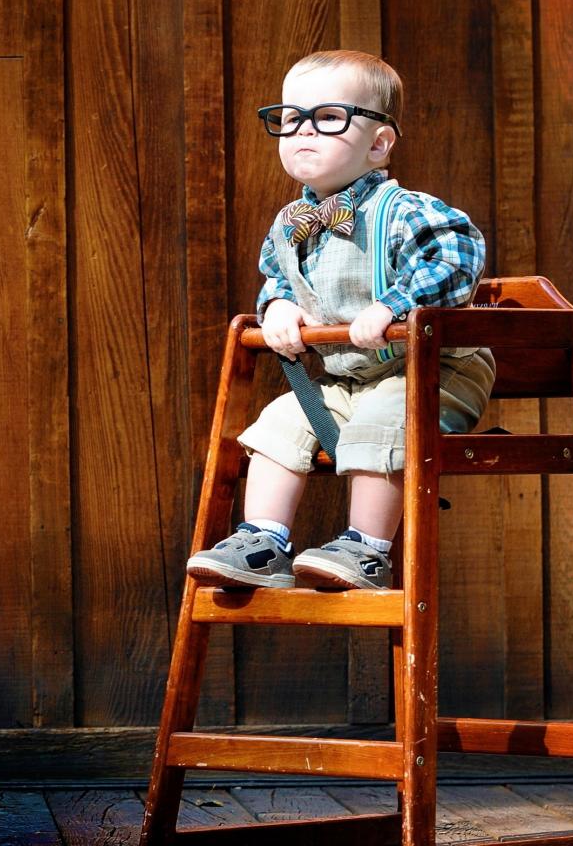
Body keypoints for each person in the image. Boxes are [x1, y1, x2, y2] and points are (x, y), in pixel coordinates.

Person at [186, 50, 495, 591]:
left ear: (378, 143)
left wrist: (395, 305)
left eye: (328, 117)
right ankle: (263, 541)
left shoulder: (405, 211)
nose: (303, 130)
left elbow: (457, 256)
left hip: (433, 374)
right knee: (279, 422)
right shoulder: (291, 225)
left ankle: (367, 550)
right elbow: (279, 280)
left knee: (385, 417)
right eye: (291, 118)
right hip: (349, 377)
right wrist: (279, 309)